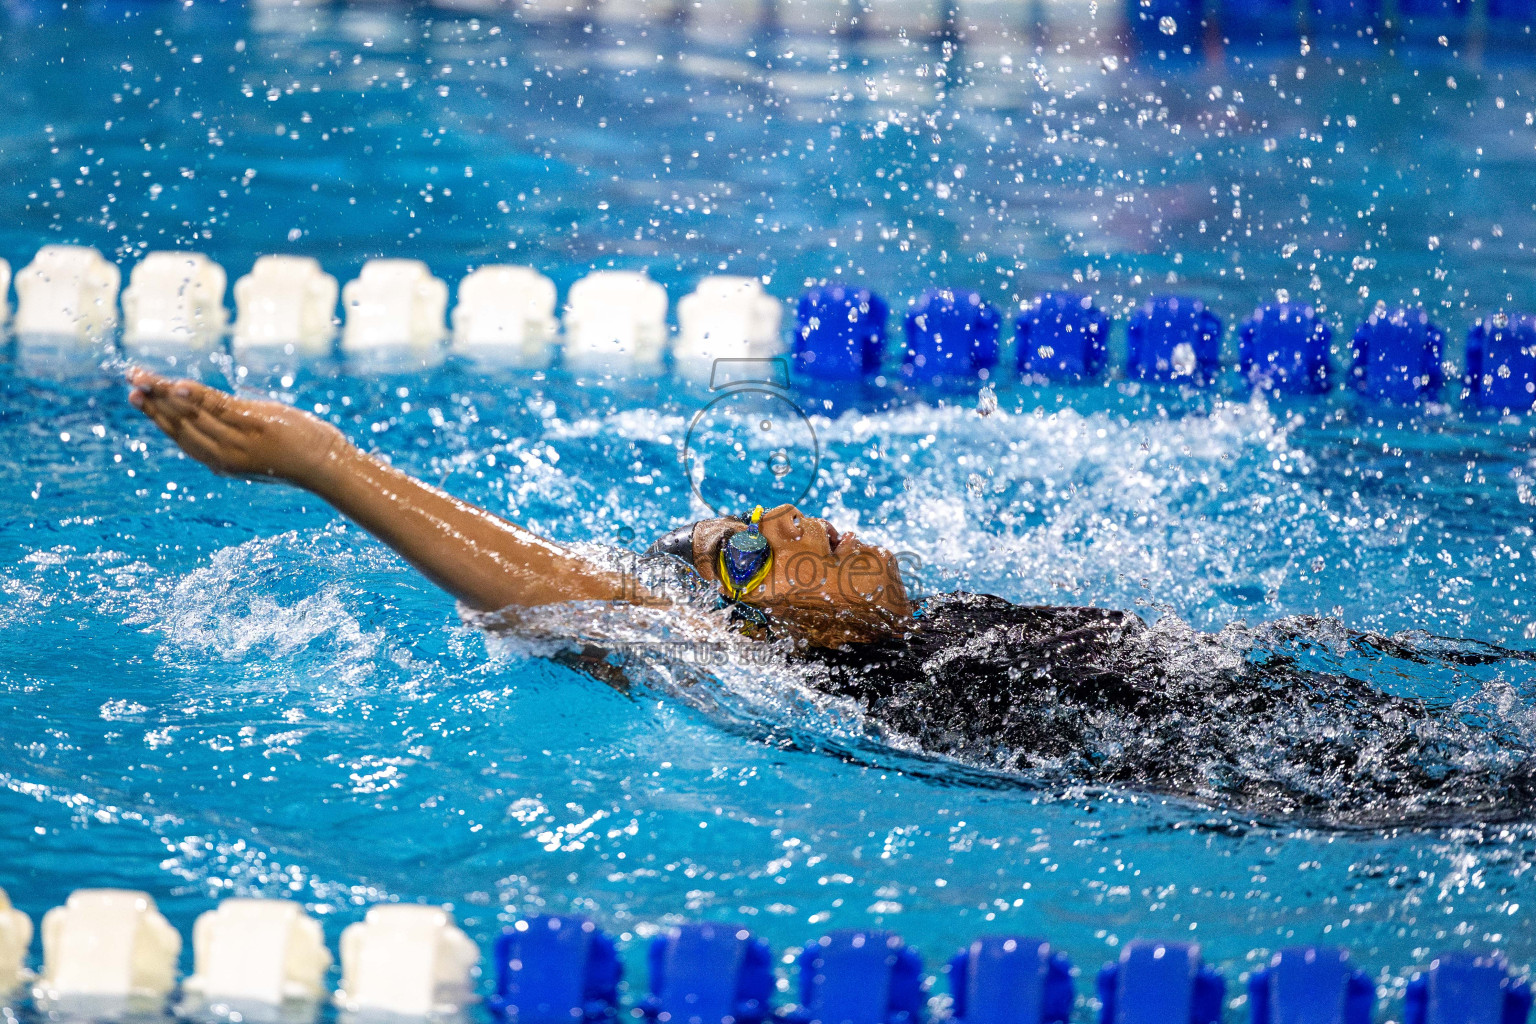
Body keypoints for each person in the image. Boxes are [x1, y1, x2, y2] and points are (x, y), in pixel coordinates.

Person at [127, 368, 1536, 828]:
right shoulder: (813, 681)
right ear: (737, 636)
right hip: (1247, 777)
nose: (791, 523)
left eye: (767, 513)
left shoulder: (957, 615)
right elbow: (558, 595)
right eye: (750, 556)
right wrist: (322, 461)